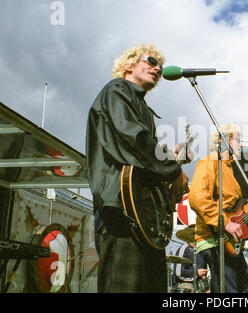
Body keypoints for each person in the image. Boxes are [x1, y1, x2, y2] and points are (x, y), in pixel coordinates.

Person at [86, 43, 190, 293]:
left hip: (144, 216)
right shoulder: (116, 90)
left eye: (160, 66)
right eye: (151, 61)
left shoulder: (142, 107)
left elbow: (142, 153)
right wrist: (173, 170)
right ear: (128, 65)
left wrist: (169, 159)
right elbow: (133, 139)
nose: (157, 68)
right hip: (121, 212)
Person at [188, 124, 248, 293]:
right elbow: (197, 198)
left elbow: (233, 206)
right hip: (214, 238)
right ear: (222, 141)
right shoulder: (208, 163)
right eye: (237, 140)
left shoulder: (229, 169)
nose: (240, 144)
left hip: (230, 242)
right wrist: (225, 223)